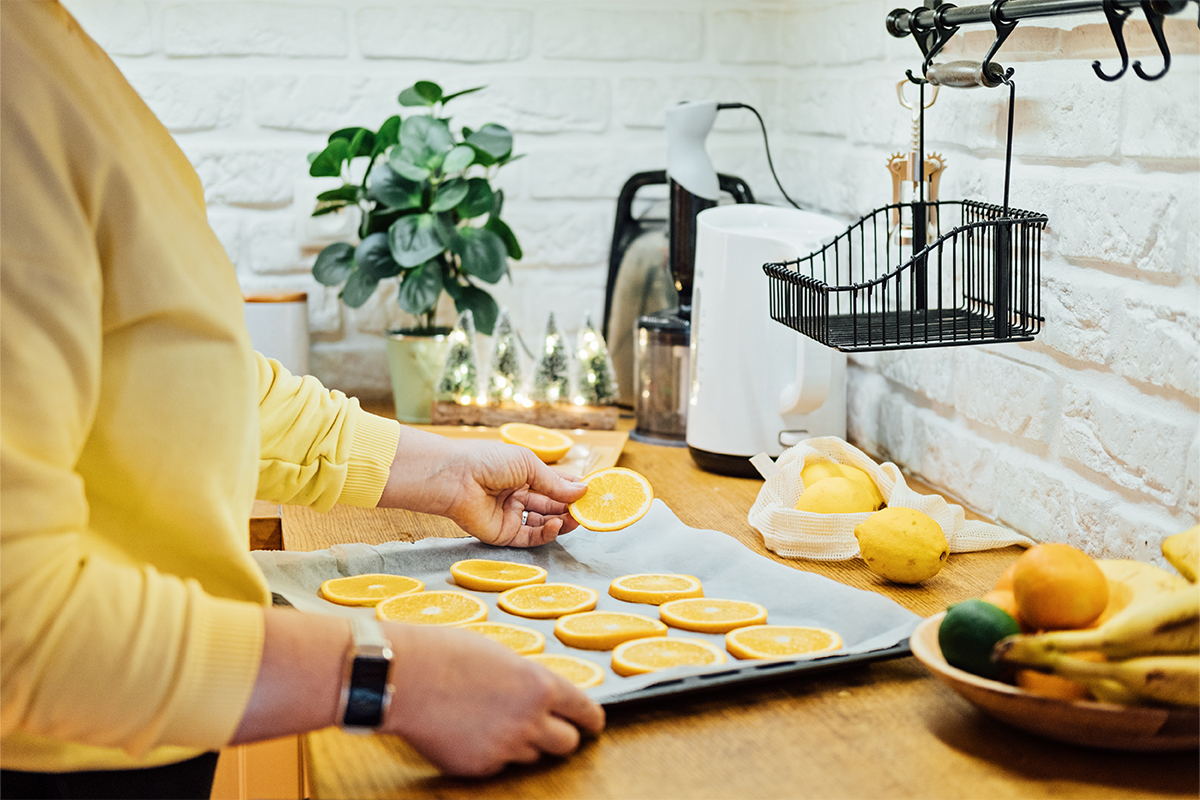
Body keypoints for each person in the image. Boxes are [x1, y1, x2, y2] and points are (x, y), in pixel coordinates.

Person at [0, 3, 605, 797]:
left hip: (149, 725)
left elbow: (182, 385)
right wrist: (392, 678)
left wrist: (447, 474)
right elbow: (17, 631)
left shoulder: (39, 45)